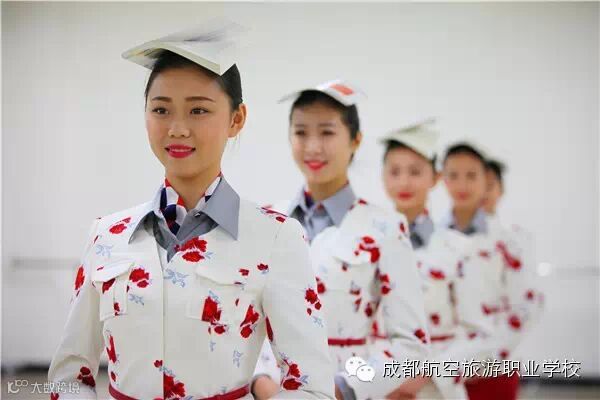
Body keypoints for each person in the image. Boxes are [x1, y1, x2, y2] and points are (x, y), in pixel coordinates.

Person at [48, 22, 334, 400]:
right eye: (161, 110)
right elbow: (69, 375)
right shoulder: (106, 235)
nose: (177, 128)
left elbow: (311, 386)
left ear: (236, 119)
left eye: (198, 110)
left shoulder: (276, 238)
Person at [252, 80, 429, 400]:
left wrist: (343, 389)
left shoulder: (385, 228)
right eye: (301, 132)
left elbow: (411, 347)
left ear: (355, 140)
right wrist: (261, 383)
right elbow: (240, 321)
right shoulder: (266, 220)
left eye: (327, 133)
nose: (313, 146)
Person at [377, 119, 501, 399]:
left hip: (435, 391)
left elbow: (483, 336)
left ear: (435, 178)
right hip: (376, 388)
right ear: (383, 178)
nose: (404, 182)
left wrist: (427, 375)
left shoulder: (460, 249)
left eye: (415, 171)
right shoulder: (366, 247)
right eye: (394, 172)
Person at [440, 141, 544, 400]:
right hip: (440, 370)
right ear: (442, 178)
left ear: (485, 180)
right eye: (454, 175)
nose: (462, 184)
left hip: (493, 369)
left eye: (471, 175)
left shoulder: (510, 240)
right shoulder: (431, 237)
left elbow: (527, 305)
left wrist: (478, 357)